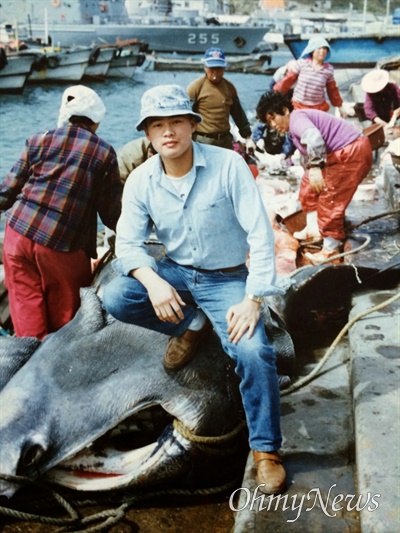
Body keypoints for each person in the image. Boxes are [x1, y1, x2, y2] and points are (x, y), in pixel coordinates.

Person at [102, 84, 287, 495]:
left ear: (192, 126)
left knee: (254, 351)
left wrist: (253, 298)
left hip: (227, 276)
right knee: (115, 296)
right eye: (158, 125)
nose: (169, 132)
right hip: (177, 272)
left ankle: (266, 450)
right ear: (147, 135)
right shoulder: (141, 181)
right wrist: (152, 282)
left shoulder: (228, 165)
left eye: (176, 122)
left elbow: (260, 234)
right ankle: (192, 321)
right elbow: (127, 245)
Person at [0, 85, 123, 339]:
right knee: (64, 320)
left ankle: (25, 365)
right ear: (96, 121)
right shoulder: (104, 152)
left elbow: (6, 193)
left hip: (18, 236)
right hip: (61, 245)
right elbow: (111, 213)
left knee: (25, 312)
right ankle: (54, 367)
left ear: (66, 115)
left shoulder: (39, 140)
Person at [256, 91, 373, 265]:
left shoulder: (296, 119)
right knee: (308, 187)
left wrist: (316, 166)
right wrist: (310, 170)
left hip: (350, 152)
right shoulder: (293, 126)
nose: (273, 125)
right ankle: (313, 229)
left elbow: (314, 139)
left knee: (330, 198)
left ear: (285, 110)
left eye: (273, 118)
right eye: (269, 122)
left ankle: (330, 248)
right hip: (338, 154)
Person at [187, 47, 256, 153]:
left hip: (225, 141)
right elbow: (187, 116)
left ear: (224, 68)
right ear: (205, 67)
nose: (215, 73)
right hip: (202, 140)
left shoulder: (229, 88)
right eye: (212, 68)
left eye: (219, 68)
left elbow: (239, 115)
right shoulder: (196, 87)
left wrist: (248, 138)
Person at [273, 35, 346, 116]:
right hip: (298, 106)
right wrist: (275, 93)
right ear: (312, 50)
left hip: (318, 108)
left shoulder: (328, 70)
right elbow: (288, 80)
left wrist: (340, 106)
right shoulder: (301, 64)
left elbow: (332, 90)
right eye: (319, 48)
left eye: (325, 49)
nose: (322, 51)